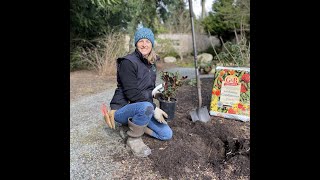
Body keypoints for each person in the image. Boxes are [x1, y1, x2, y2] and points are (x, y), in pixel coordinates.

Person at [106, 27, 172, 157]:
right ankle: (133, 138)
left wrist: (157, 95)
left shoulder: (150, 63)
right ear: (136, 43)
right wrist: (154, 108)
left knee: (166, 134)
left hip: (143, 107)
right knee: (147, 107)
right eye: (141, 41)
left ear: (152, 44)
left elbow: (146, 88)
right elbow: (132, 93)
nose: (144, 44)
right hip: (123, 108)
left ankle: (131, 127)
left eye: (147, 41)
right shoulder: (128, 62)